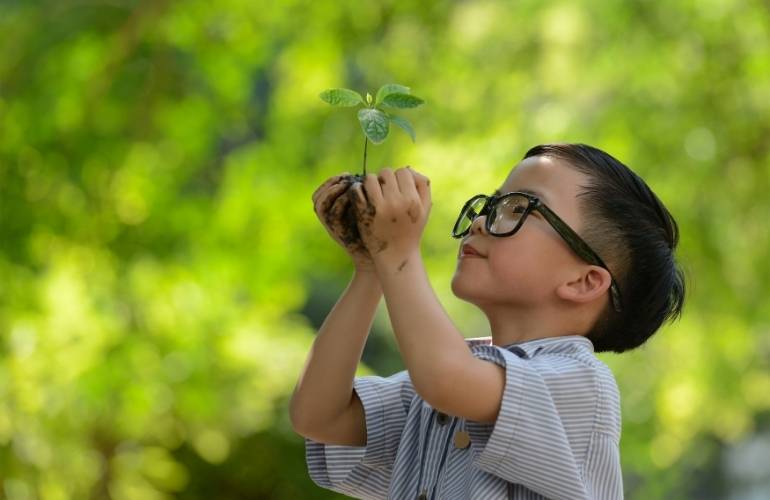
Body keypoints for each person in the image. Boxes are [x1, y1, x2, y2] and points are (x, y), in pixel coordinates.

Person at [289, 143, 686, 499]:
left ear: (583, 281)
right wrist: (370, 267)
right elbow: (319, 416)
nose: (481, 222)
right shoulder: (450, 378)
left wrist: (396, 253)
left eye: (520, 208)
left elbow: (446, 378)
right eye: (492, 205)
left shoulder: (582, 385)